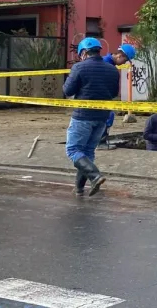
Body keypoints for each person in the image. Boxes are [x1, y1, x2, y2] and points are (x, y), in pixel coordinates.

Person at [63, 37, 120, 197]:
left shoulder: (79, 67)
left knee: (73, 149)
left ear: (84, 52)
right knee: (88, 151)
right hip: (102, 117)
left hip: (82, 116)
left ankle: (95, 176)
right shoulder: (112, 70)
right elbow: (114, 93)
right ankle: (79, 189)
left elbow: (68, 91)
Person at [99, 43, 137, 149]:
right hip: (101, 97)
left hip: (97, 97)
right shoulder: (108, 66)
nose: (124, 63)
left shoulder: (104, 61)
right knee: (107, 117)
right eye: (124, 60)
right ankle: (100, 143)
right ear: (119, 56)